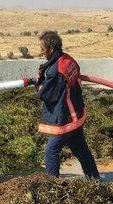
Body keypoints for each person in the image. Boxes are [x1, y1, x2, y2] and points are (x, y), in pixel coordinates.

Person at [24, 31, 100, 179]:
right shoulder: (67, 60)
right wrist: (36, 80)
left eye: (43, 49)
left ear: (51, 48)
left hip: (65, 116)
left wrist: (37, 84)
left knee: (51, 152)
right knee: (81, 149)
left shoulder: (56, 70)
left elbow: (48, 94)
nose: (42, 52)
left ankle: (51, 185)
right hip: (75, 113)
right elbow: (59, 83)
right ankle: (95, 179)